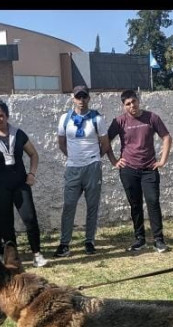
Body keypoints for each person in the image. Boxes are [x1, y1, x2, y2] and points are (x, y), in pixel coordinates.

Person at [0, 100, 47, 268]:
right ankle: (13, 259)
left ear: (7, 116)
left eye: (1, 115)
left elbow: (34, 155)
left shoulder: (18, 134)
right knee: (6, 223)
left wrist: (32, 173)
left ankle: (37, 254)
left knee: (30, 218)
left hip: (20, 183)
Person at [107, 89, 173, 253]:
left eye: (133, 102)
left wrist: (163, 160)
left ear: (138, 100)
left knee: (153, 201)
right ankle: (140, 239)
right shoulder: (119, 121)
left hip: (149, 168)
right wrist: (114, 161)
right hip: (128, 170)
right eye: (127, 104)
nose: (132, 106)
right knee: (135, 204)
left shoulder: (152, 118)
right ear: (124, 106)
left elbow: (166, 137)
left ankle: (158, 240)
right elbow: (106, 141)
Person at [55, 84, 109, 257]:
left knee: (92, 205)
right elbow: (61, 143)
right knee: (69, 205)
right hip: (73, 167)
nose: (81, 100)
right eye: (78, 97)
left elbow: (105, 144)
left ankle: (89, 241)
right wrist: (73, 157)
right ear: (73, 98)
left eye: (84, 96)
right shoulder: (65, 118)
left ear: (89, 98)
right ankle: (64, 244)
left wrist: (93, 158)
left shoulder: (97, 118)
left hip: (92, 167)